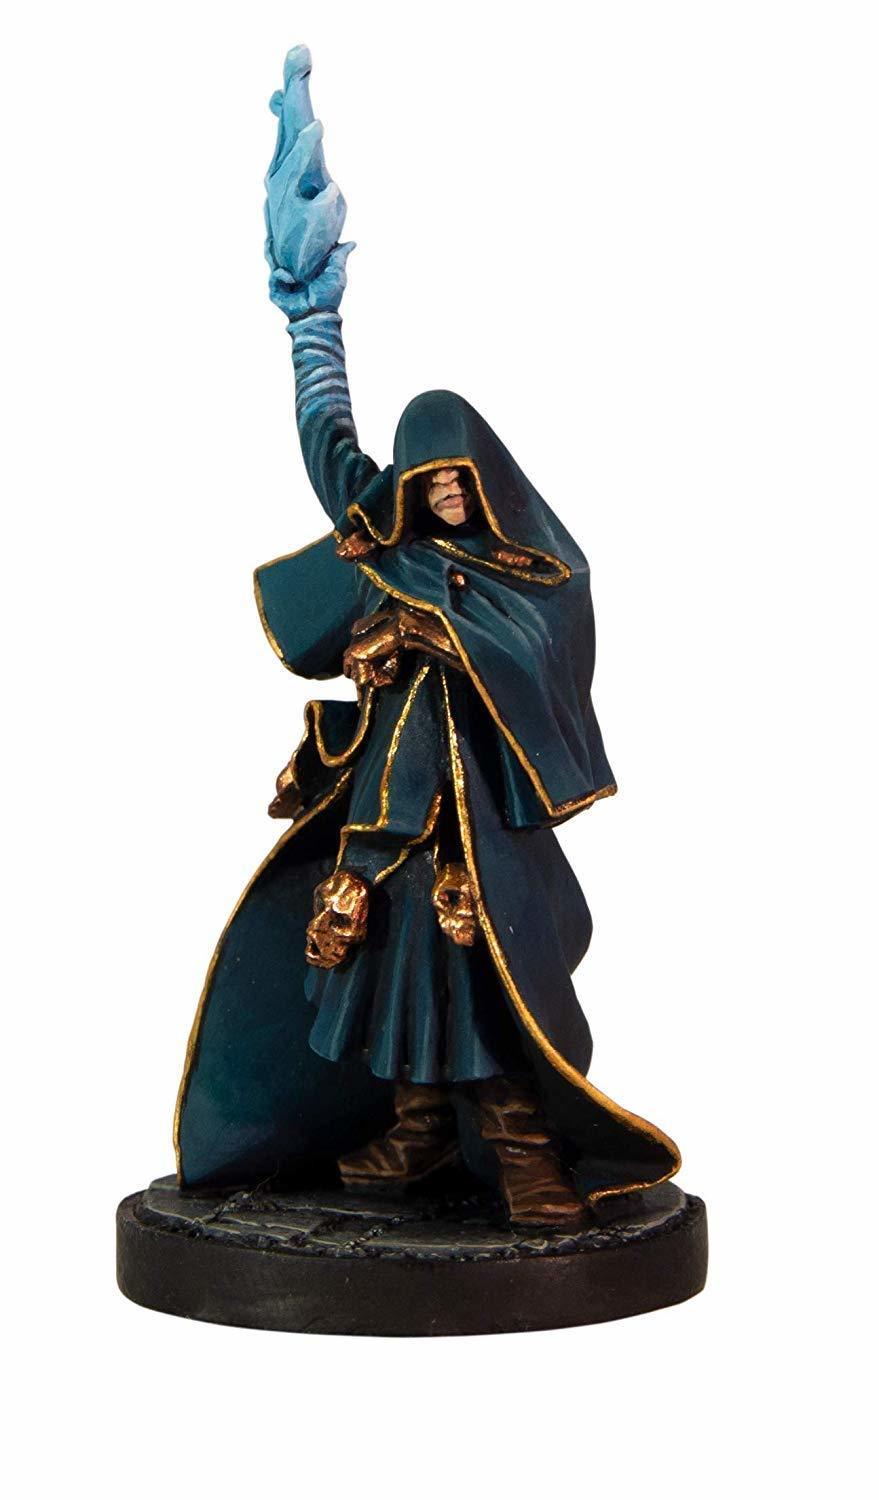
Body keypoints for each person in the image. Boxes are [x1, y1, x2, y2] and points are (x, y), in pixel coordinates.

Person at [173, 51, 680, 1227]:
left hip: (471, 828)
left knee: (479, 985)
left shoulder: (523, 573)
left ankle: (525, 1153)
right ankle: (411, 1136)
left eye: (460, 480)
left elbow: (542, 636)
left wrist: (439, 636)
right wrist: (311, 317)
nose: (445, 496)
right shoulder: (389, 544)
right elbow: (329, 442)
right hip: (382, 812)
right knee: (381, 980)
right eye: (430, 480)